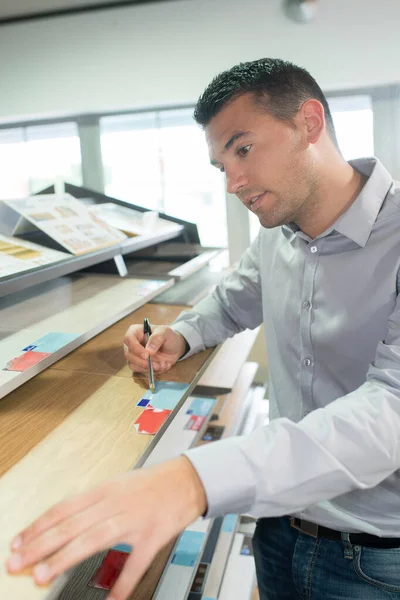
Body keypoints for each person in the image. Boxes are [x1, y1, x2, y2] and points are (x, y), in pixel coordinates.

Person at [6, 58, 400, 600]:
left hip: (374, 559)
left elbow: (390, 411)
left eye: (243, 149)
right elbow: (235, 298)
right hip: (278, 525)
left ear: (309, 123)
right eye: (221, 166)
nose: (234, 182)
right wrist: (183, 334)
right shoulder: (278, 234)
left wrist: (194, 479)